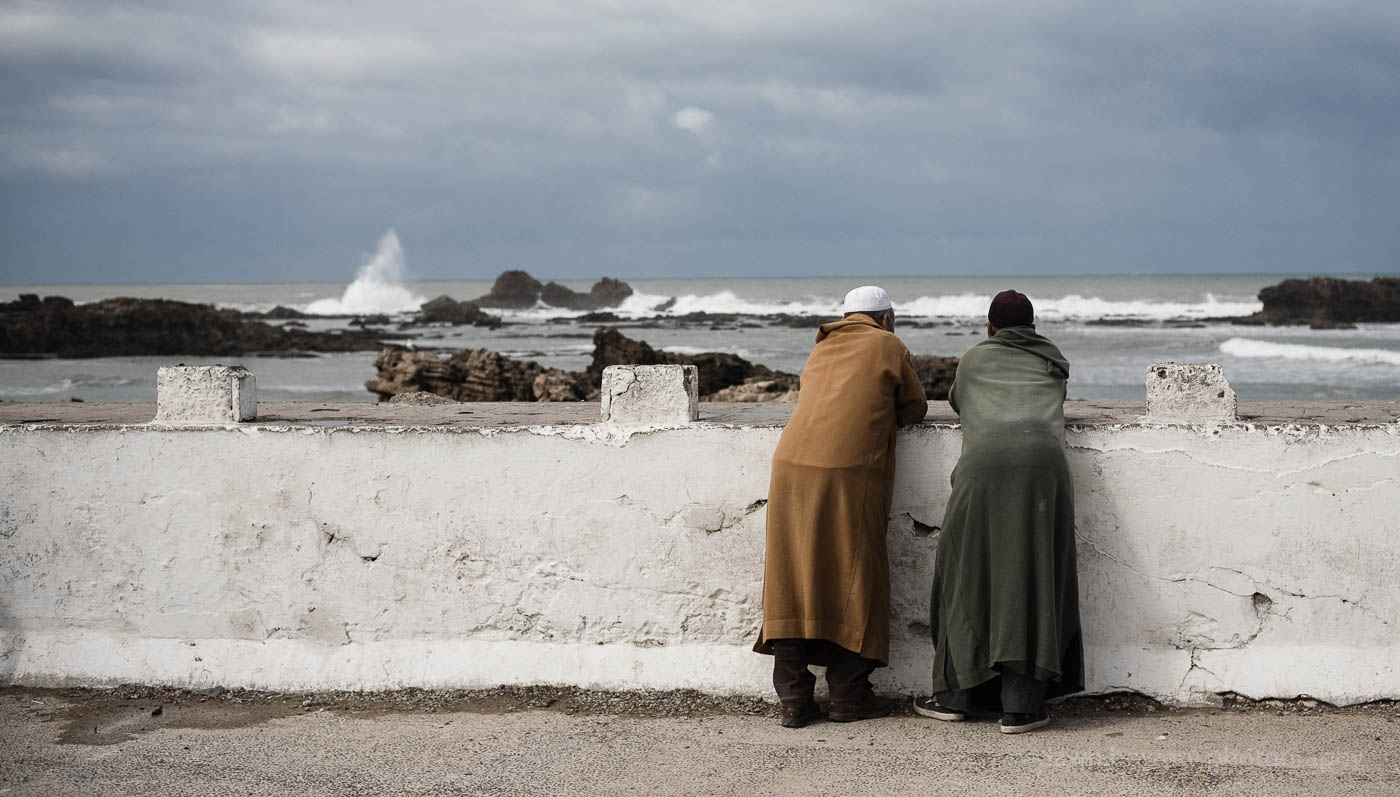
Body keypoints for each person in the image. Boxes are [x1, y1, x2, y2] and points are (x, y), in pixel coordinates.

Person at [754, 285, 929, 728]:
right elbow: (914, 409)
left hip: (790, 467)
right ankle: (849, 695)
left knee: (790, 575)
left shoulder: (821, 348)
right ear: (886, 318)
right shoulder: (889, 345)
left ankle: (794, 700)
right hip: (849, 470)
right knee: (857, 571)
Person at [914, 290, 1083, 734]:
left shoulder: (973, 359)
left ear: (990, 327)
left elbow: (959, 401)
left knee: (964, 572)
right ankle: (1022, 707)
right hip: (1045, 471)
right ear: (1032, 325)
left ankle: (955, 696)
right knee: (1035, 576)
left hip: (983, 469)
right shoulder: (1054, 359)